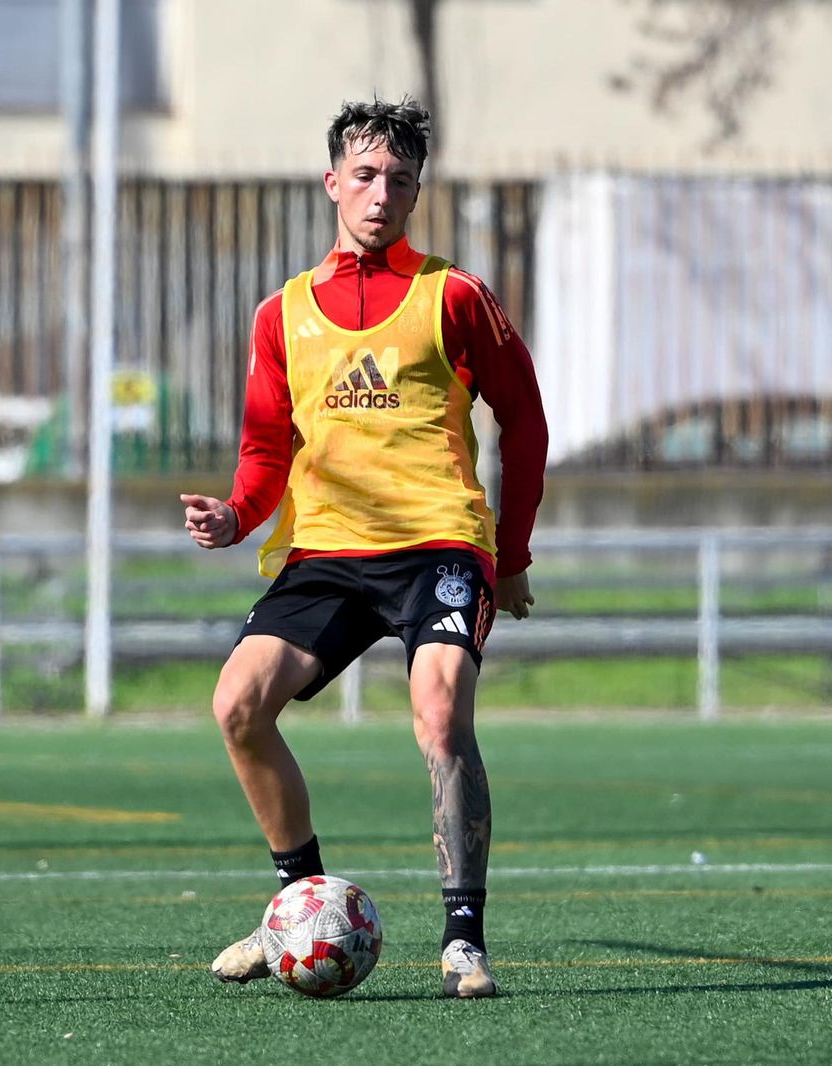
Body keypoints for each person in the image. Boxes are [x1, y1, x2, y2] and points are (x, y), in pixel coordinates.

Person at [179, 96, 547, 999]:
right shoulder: (282, 315)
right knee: (237, 705)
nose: (383, 193)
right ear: (333, 181)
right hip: (328, 551)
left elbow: (526, 422)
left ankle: (465, 938)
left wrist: (510, 556)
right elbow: (267, 450)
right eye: (368, 174)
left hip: (438, 546)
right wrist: (236, 515)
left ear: (418, 193)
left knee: (439, 711)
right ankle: (297, 908)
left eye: (402, 180)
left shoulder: (452, 295)